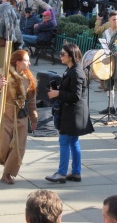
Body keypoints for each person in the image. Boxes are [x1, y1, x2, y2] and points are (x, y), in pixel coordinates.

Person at [45, 43, 94, 183]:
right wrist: (61, 88)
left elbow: (75, 96)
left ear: (71, 56)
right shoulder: (71, 69)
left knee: (65, 141)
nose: (60, 56)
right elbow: (72, 90)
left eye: (63, 54)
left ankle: (61, 173)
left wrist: (58, 93)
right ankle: (76, 172)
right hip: (73, 112)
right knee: (73, 141)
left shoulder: (77, 72)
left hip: (73, 113)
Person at [0, 50, 38, 184]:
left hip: (21, 116)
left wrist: (34, 119)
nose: (29, 63)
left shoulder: (29, 79)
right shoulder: (3, 73)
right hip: (5, 114)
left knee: (19, 148)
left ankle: (7, 173)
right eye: (27, 60)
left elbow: (32, 102)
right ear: (18, 62)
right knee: (3, 145)